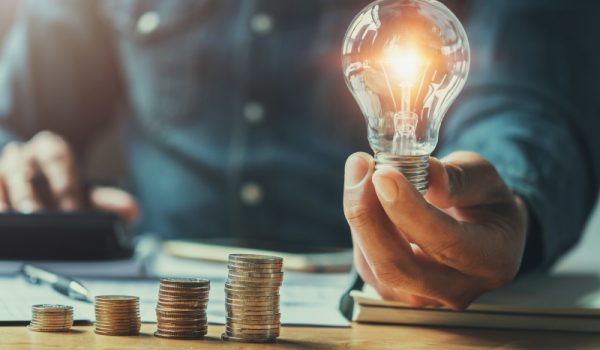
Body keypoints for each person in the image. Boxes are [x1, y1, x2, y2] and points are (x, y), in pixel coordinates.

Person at [0, 0, 598, 309]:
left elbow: (526, 95)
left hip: (386, 306)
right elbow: (13, 116)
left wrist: (509, 203)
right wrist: (15, 160)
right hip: (168, 300)